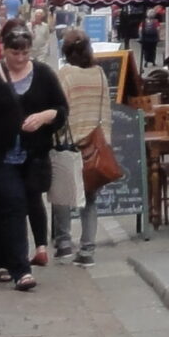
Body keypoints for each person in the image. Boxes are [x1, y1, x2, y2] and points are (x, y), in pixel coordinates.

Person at [0, 20, 69, 290]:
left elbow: (61, 110)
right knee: (14, 204)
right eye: (14, 53)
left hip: (33, 156)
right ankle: (22, 269)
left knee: (3, 206)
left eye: (24, 53)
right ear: (3, 50)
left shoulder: (44, 74)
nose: (20, 58)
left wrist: (46, 116)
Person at [51, 32, 111, 266]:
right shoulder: (100, 73)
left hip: (68, 142)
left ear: (66, 52)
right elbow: (105, 109)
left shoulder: (64, 74)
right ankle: (87, 250)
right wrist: (105, 141)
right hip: (94, 144)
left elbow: (59, 108)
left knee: (62, 194)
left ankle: (64, 243)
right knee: (90, 198)